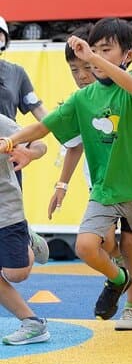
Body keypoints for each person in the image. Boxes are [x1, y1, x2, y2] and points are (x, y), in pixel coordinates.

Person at [0, 18, 132, 344]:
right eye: (93, 50)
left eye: (105, 50)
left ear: (128, 55)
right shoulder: (82, 99)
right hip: (106, 190)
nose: (93, 58)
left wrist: (93, 58)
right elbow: (44, 128)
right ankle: (117, 278)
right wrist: (11, 143)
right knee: (86, 245)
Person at [48, 24, 132, 331]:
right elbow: (73, 146)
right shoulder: (84, 99)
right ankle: (118, 279)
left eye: (86, 66)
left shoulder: (123, 91)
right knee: (103, 242)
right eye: (75, 69)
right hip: (102, 185)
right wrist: (61, 185)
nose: (82, 74)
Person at [0, 114, 51, 345]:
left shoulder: (2, 123)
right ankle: (32, 323)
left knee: (16, 274)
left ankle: (27, 240)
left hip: (6, 211)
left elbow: (40, 143)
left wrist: (29, 153)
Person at [0, 16, 49, 188]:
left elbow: (42, 114)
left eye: (0, 35)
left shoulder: (16, 73)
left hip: (8, 152)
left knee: (10, 210)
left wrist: (66, 126)